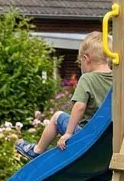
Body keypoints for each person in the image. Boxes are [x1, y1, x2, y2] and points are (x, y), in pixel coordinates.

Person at [15, 32, 113, 161]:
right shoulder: (117, 78)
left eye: (80, 63)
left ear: (86, 58)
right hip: (108, 138)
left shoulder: (87, 79)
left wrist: (68, 133)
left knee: (57, 117)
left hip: (87, 136)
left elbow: (79, 106)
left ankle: (36, 151)